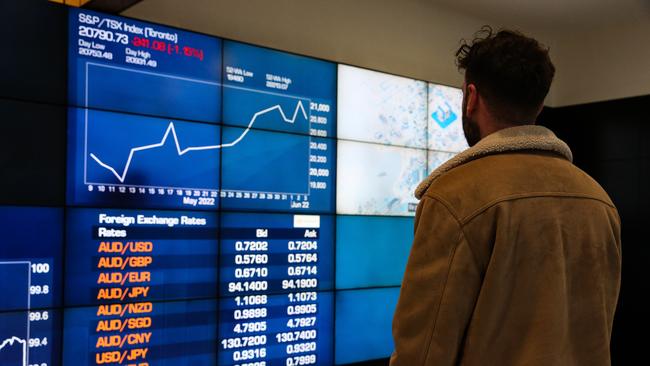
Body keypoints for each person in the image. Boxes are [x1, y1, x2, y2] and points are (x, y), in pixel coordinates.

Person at [390, 26, 621, 366]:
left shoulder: (454, 196)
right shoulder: (598, 199)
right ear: (539, 105)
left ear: (471, 98)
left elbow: (423, 354)